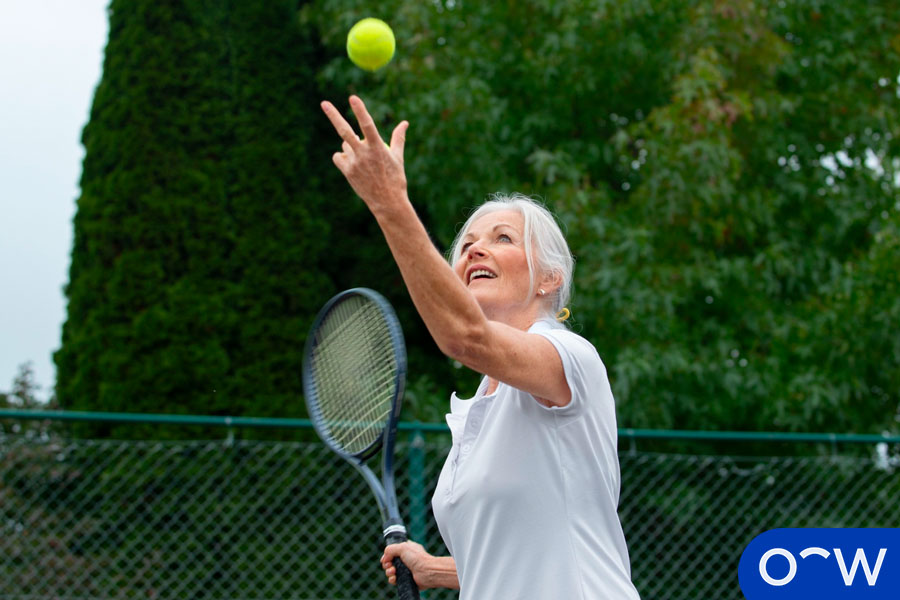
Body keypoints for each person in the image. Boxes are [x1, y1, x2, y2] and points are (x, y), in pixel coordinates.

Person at [321, 95, 640, 599]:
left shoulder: (567, 356)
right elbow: (519, 557)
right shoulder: (476, 411)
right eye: (466, 243)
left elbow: (463, 336)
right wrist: (438, 570)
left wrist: (388, 202)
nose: (475, 248)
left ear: (549, 279)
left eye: (504, 238)